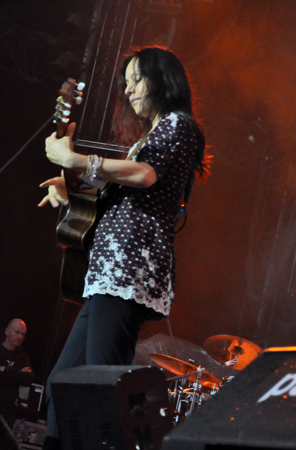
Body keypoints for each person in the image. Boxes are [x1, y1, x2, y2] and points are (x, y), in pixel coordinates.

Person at [38, 46, 210, 448]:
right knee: (63, 384)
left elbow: (145, 176)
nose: (129, 89)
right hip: (108, 275)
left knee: (100, 388)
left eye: (137, 78)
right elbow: (127, 192)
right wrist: (74, 191)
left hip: (128, 273)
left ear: (163, 79)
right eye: (126, 81)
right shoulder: (154, 134)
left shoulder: (178, 125)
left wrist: (79, 161)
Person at [0, 318, 35, 427]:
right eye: (17, 332)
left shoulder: (22, 357)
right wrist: (18, 373)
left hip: (7, 410)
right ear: (7, 331)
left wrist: (6, 370)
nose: (20, 337)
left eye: (23, 334)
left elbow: (29, 378)